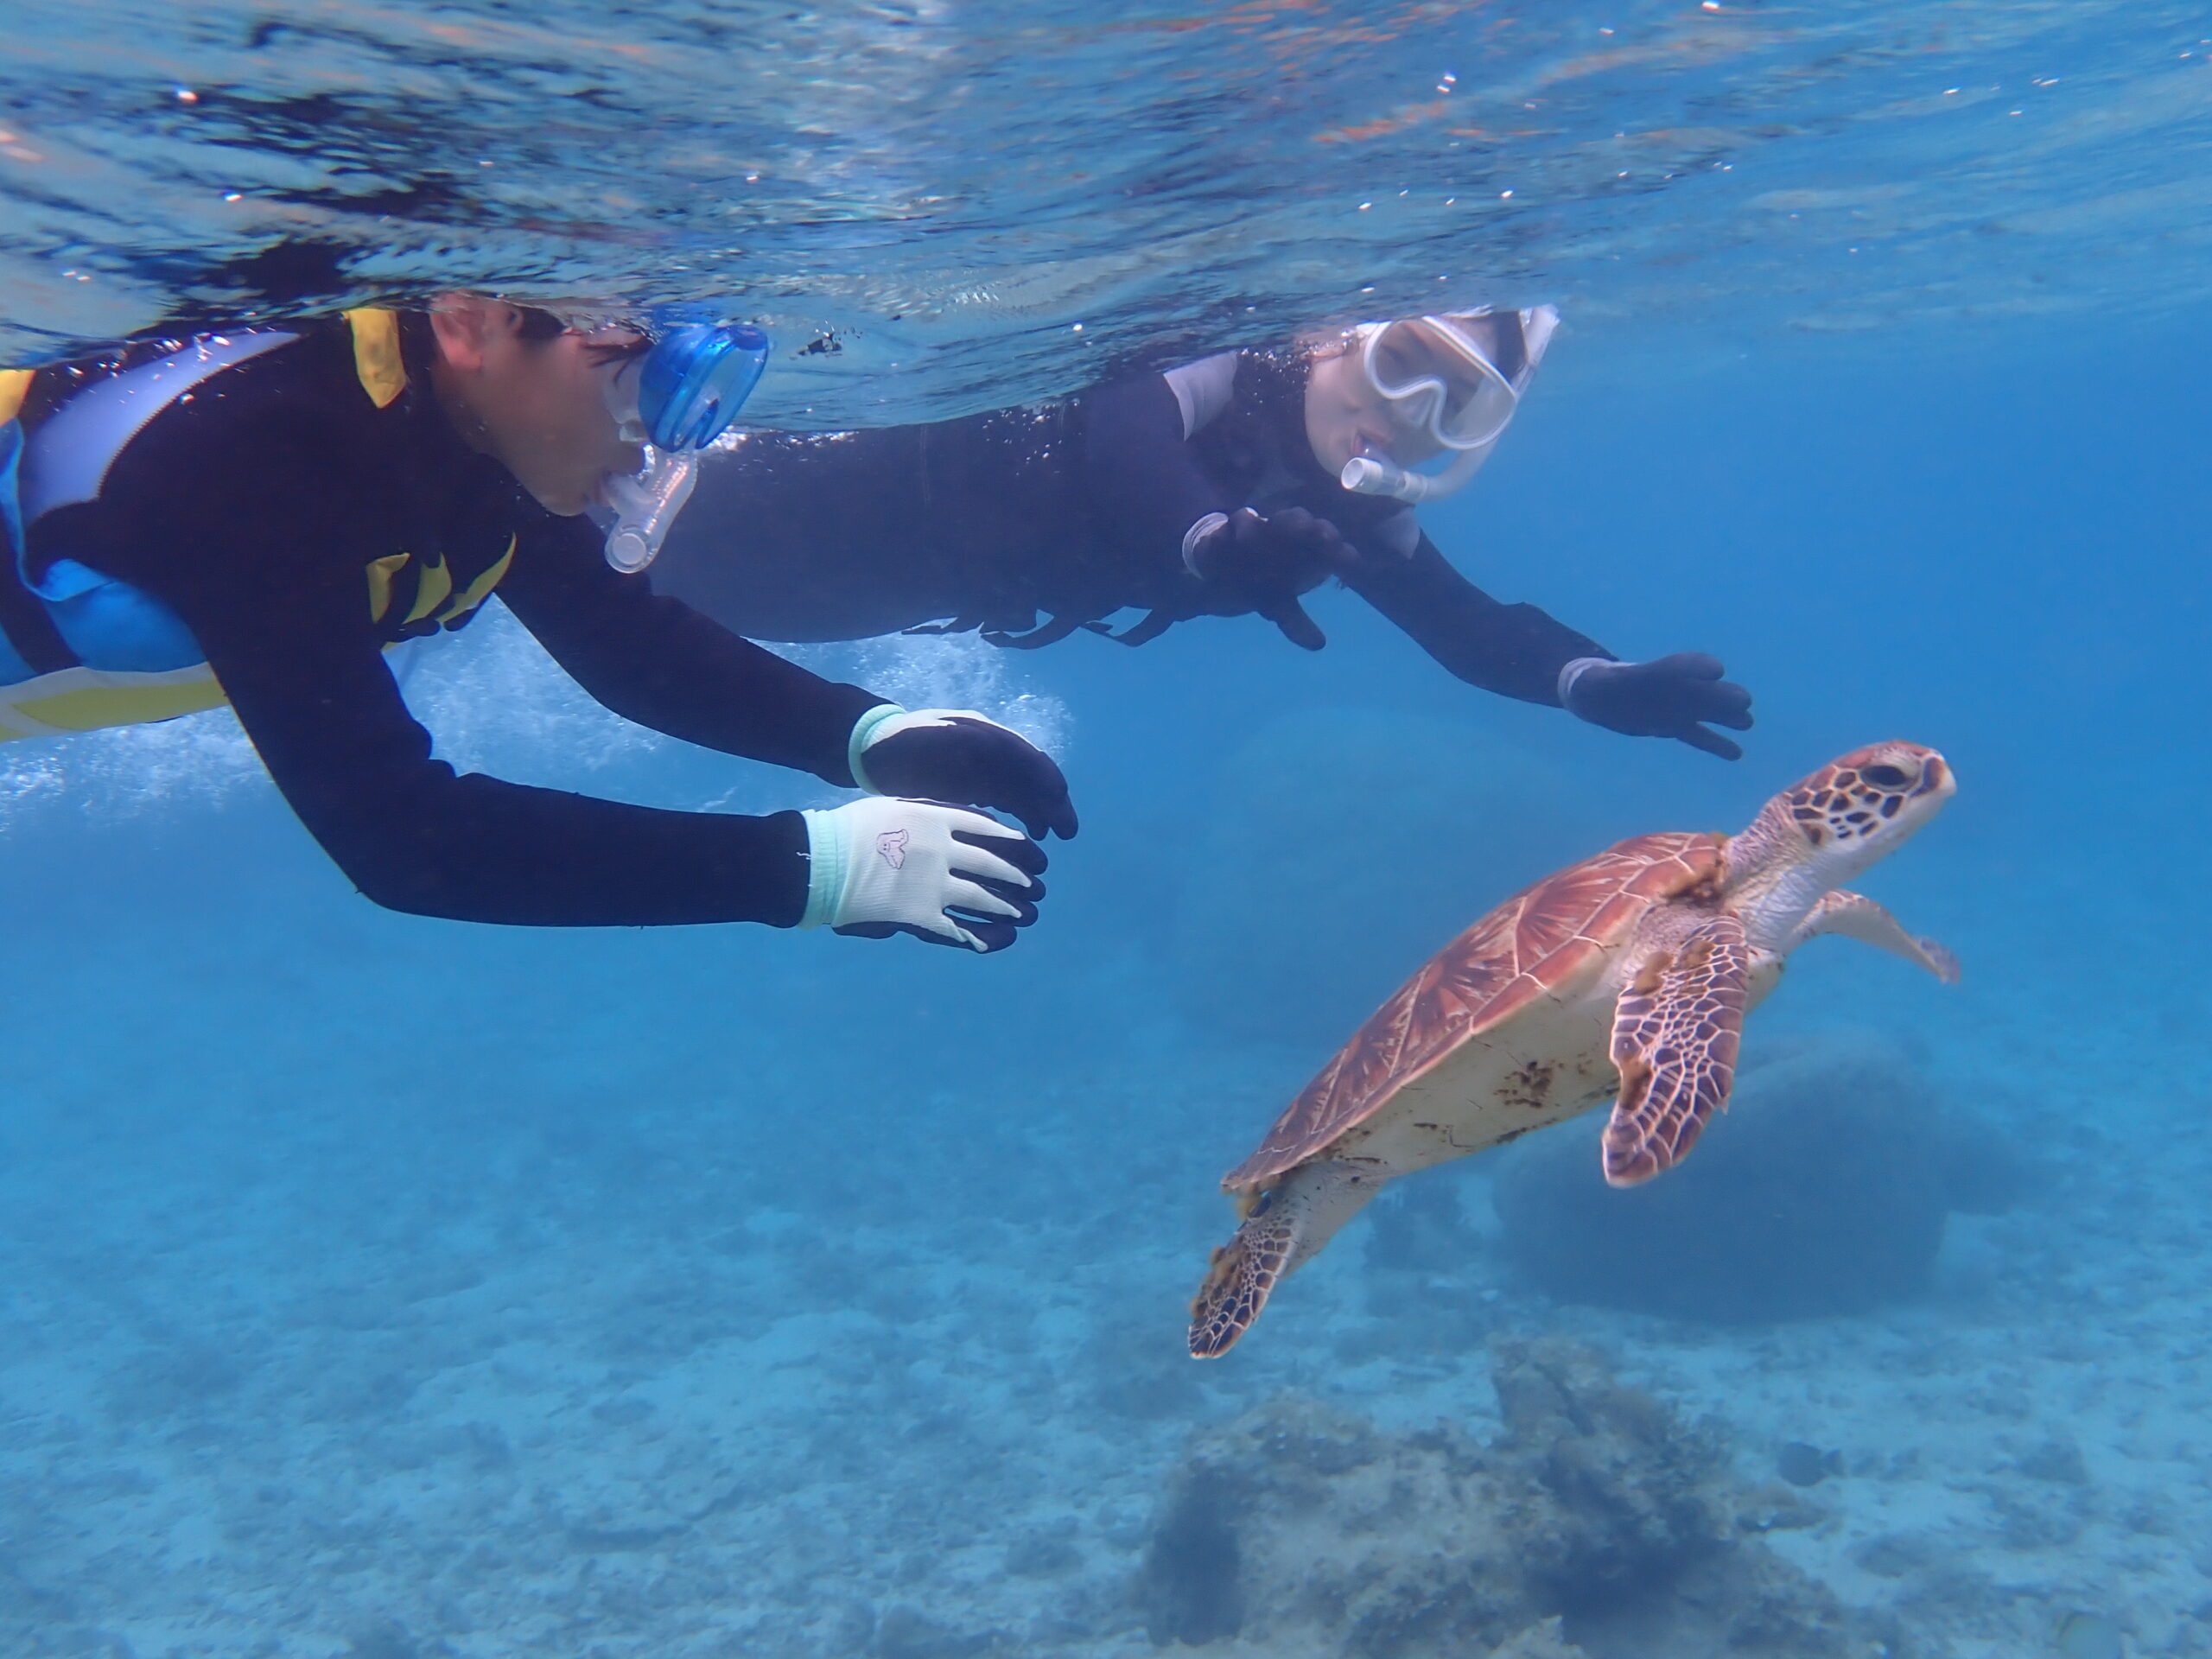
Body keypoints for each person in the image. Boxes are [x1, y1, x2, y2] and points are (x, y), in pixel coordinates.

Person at [0, 297, 1077, 950]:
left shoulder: (472, 428)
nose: (659, 430)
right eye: (639, 372)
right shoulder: (255, 450)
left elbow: (625, 645)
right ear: (471, 321)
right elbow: (399, 842)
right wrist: (808, 870)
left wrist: (867, 734)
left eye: (697, 383)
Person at [646, 307, 1755, 760]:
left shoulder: (1354, 512)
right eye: (1402, 363)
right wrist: (1207, 541)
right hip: (822, 492)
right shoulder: (1236, 362)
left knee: (639, 596)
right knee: (586, 528)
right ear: (1337, 339)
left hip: (869, 598)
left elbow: (1462, 626)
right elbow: (1128, 427)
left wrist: (1589, 682)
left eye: (1453, 407)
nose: (1407, 414)